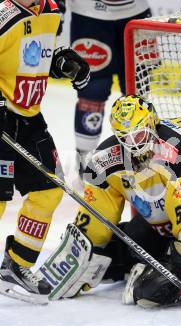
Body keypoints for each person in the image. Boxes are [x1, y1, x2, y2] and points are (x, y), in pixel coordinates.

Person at [36, 95, 181, 306]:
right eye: (126, 137)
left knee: (150, 293)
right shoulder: (104, 161)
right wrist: (83, 251)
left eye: (139, 134)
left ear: (152, 123)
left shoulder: (177, 148)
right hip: (160, 225)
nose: (135, 143)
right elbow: (98, 212)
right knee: (127, 245)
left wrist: (180, 262)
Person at [0, 0, 90, 304]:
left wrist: (64, 64)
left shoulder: (52, 11)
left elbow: (37, 57)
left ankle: (18, 264)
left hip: (29, 119)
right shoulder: (3, 14)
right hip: (2, 117)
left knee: (49, 190)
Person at [68, 0, 152, 177]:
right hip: (89, 14)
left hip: (136, 10)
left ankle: (141, 158)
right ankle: (85, 162)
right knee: (92, 92)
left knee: (138, 94)